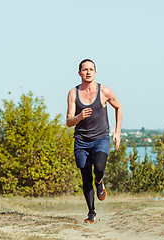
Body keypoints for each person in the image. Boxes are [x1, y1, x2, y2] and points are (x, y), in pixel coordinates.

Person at [66, 59, 123, 223]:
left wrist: (117, 132)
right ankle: (91, 212)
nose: (88, 72)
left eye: (91, 69)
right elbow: (69, 122)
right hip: (81, 141)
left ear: (95, 72)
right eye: (85, 70)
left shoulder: (104, 91)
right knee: (85, 177)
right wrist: (79, 116)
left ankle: (99, 181)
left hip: (101, 139)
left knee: (99, 167)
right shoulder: (73, 94)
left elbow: (119, 107)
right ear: (79, 73)